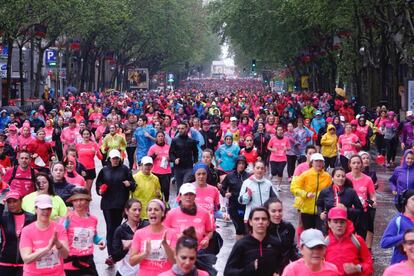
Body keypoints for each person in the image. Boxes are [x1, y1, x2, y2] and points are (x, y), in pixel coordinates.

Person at [163, 183, 215, 275]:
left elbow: (210, 231)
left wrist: (207, 238)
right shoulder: (171, 214)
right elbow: (164, 232)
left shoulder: (204, 213)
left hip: (196, 254)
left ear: (195, 196)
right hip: (176, 255)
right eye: (186, 194)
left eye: (191, 194)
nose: (188, 197)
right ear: (180, 196)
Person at [96, 149, 136, 266]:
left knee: (117, 228)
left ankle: (116, 252)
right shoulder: (104, 170)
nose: (115, 160)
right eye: (113, 158)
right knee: (110, 228)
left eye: (117, 158)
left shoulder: (125, 170)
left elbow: (133, 184)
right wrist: (99, 190)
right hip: (107, 204)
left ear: (120, 159)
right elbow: (98, 184)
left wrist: (130, 184)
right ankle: (111, 255)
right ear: (109, 159)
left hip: (120, 204)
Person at [19, 194, 69, 276]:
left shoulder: (59, 228)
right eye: (42, 209)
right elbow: (26, 259)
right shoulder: (27, 231)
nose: (46, 211)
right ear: (36, 209)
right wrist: (47, 248)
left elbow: (65, 255)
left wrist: (58, 243)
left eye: (48, 208)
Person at [224, 207, 283, 276]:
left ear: (268, 222)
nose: (260, 222)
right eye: (256, 219)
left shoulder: (276, 243)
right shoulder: (242, 244)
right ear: (250, 222)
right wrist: (249, 269)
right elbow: (228, 272)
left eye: (264, 219)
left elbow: (283, 266)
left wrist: (279, 273)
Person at [63, 188, 106, 276]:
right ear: (72, 202)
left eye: (81, 200)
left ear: (87, 201)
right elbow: (60, 234)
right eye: (75, 200)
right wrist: (66, 221)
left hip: (87, 260)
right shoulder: (67, 218)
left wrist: (102, 241)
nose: (78, 203)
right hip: (70, 261)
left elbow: (94, 237)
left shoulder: (93, 219)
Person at [129, 199, 176, 276]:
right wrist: (145, 253)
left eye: (156, 209)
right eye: (150, 210)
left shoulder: (172, 233)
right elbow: (132, 262)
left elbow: (174, 261)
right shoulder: (139, 233)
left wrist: (165, 245)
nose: (152, 212)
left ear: (163, 213)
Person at [325, 207, 373, 275]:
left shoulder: (357, 241)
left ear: (347, 223)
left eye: (342, 222)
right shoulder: (324, 243)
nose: (339, 225)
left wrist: (358, 268)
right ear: (329, 223)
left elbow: (369, 266)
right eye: (335, 222)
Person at [291, 153, 332, 230]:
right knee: (308, 233)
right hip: (306, 210)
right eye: (316, 161)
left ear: (323, 163)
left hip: (321, 211)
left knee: (321, 233)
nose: (319, 163)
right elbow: (294, 188)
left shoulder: (327, 176)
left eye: (321, 161)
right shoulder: (305, 175)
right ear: (311, 163)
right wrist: (305, 194)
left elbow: (331, 192)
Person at [0, 190, 36, 276]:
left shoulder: (31, 218)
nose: (12, 204)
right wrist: (1, 206)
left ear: (21, 201)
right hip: (5, 262)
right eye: (9, 202)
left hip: (25, 263)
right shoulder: (3, 217)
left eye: (15, 201)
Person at [317, 167, 363, 232]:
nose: (341, 178)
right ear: (332, 178)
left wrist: (347, 209)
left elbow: (360, 210)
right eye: (338, 176)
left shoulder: (351, 192)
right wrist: (321, 213)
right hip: (329, 227)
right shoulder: (325, 191)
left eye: (343, 176)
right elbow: (319, 205)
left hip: (346, 226)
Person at [346, 155, 376, 248]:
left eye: (358, 163)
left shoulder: (368, 179)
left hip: (363, 211)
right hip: (349, 211)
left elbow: (372, 196)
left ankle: (360, 254)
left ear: (361, 165)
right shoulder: (345, 178)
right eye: (354, 163)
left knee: (361, 236)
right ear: (350, 165)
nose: (356, 165)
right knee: (348, 235)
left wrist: (372, 203)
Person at [113, 199, 149, 276]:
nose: (137, 213)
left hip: (143, 272)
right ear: (126, 211)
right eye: (134, 210)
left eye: (139, 210)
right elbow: (115, 257)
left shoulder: (146, 226)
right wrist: (124, 248)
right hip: (125, 272)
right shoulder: (120, 230)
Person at [264, 198, 299, 272]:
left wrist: (303, 262)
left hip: (284, 268)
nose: (277, 214)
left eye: (280, 211)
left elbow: (291, 249)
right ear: (266, 212)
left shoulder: (288, 227)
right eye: (273, 211)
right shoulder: (262, 229)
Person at [220, 156, 250, 240]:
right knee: (239, 228)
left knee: (246, 229)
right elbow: (222, 188)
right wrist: (225, 193)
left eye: (243, 164)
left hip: (246, 206)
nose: (241, 165)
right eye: (239, 163)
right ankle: (240, 248)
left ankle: (245, 248)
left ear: (245, 165)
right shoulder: (230, 176)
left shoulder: (249, 176)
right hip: (233, 206)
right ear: (236, 164)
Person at [381, 189, 414, 264]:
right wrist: (405, 236)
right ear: (404, 201)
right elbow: (384, 243)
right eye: (413, 199)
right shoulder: (398, 221)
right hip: (400, 266)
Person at [169, 122, 198, 190]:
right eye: (179, 128)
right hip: (178, 168)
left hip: (189, 167)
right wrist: (174, 159)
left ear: (186, 129)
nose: (180, 130)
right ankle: (179, 200)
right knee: (179, 188)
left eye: (182, 128)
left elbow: (196, 152)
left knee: (185, 184)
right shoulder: (175, 140)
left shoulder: (191, 141)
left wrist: (195, 162)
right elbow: (171, 153)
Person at [147, 131, 172, 202]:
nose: (160, 138)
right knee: (157, 190)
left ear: (164, 138)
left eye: (162, 136)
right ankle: (159, 202)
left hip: (166, 172)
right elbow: (148, 160)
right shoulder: (152, 148)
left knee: (166, 189)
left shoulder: (168, 147)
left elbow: (173, 157)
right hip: (155, 172)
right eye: (159, 136)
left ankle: (167, 202)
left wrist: (169, 158)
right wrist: (154, 155)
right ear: (156, 138)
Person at [267, 125, 290, 191]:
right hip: (273, 158)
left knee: (280, 172)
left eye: (281, 130)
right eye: (278, 130)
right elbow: (268, 147)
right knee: (274, 172)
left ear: (283, 131)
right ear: (276, 131)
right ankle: (272, 173)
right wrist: (272, 150)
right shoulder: (273, 138)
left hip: (283, 158)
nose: (280, 131)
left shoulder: (286, 139)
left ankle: (278, 186)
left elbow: (289, 147)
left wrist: (286, 148)